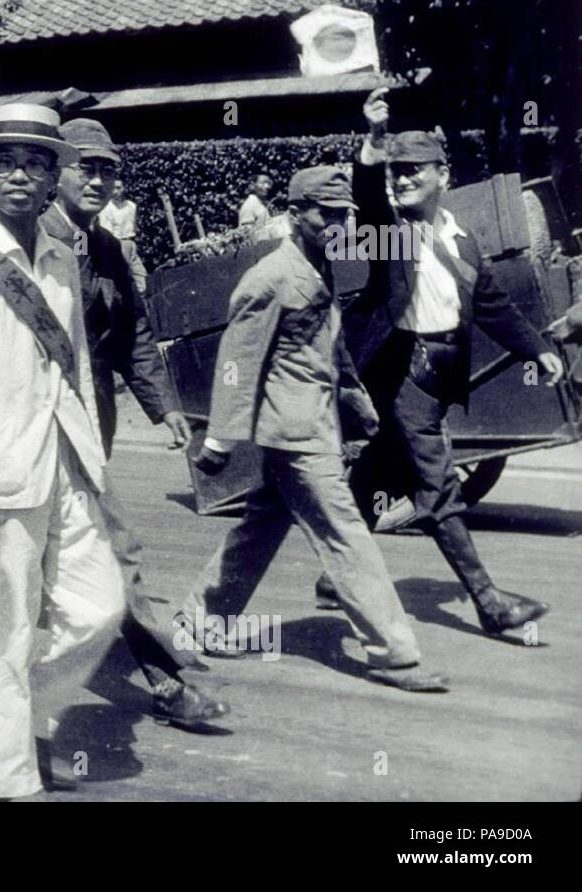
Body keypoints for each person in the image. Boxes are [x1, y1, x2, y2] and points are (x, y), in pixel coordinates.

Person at [173, 165, 448, 693]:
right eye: (327, 214)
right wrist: (219, 438)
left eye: (345, 215)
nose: (339, 224)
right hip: (294, 435)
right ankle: (396, 656)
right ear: (295, 215)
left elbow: (333, 351)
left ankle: (195, 624)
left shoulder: (320, 269)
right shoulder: (271, 278)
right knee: (348, 537)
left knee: (259, 530)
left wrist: (360, 410)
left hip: (312, 424)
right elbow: (238, 359)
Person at [0, 103, 127, 800]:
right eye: (5, 161)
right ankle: (12, 781)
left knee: (101, 605)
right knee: (6, 637)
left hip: (65, 463)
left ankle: (12, 697)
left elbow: (70, 366)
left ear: (53, 177)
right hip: (2, 476)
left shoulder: (61, 256)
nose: (20, 174)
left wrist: (92, 464)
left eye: (36, 162)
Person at [336, 89, 560, 636]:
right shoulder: (387, 233)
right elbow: (367, 194)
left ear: (443, 174)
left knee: (376, 471)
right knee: (435, 482)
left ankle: (334, 576)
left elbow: (492, 307)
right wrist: (372, 140)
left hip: (437, 373)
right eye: (397, 171)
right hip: (396, 372)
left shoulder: (463, 242)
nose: (403, 179)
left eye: (415, 170)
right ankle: (488, 601)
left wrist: (541, 349)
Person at [36, 117, 226, 722]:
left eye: (107, 169)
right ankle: (166, 683)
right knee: (113, 547)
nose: (97, 180)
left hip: (93, 424)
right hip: (40, 427)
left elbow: (135, 337)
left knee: (63, 549)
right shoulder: (31, 238)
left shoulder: (110, 249)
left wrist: (165, 406)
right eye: (84, 167)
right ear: (57, 172)